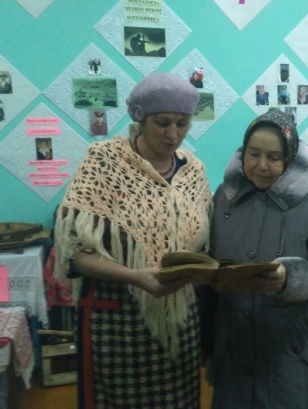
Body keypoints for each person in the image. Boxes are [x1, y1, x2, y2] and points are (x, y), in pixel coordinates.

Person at [53, 73, 212, 409]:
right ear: (140, 118)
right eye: (162, 123)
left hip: (180, 316)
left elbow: (201, 244)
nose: (173, 134)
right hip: (117, 319)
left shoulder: (193, 171)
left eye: (182, 123)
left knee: (179, 401)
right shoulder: (104, 161)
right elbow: (72, 253)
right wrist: (135, 277)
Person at [206, 110, 308, 408]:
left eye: (273, 157)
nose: (261, 165)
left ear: (290, 157)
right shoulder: (225, 197)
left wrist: (290, 277)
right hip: (234, 352)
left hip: (292, 355)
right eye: (254, 154)